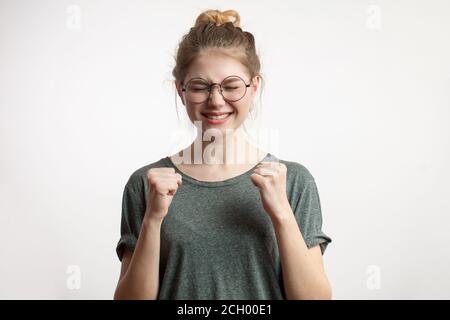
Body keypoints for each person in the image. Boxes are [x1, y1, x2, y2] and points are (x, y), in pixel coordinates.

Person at [113, 9, 332, 300]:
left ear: (254, 87)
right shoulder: (146, 184)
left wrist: (282, 214)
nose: (216, 101)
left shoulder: (293, 181)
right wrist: (153, 219)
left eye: (231, 86)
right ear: (181, 90)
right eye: (200, 87)